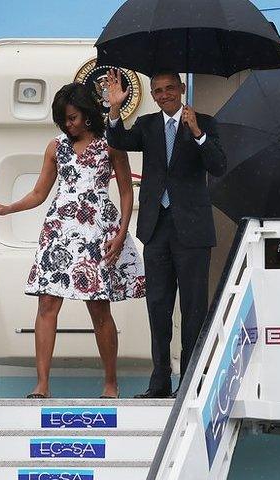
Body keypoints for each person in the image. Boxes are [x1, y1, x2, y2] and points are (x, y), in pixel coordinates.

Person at [0, 83, 145, 399]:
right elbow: (39, 193)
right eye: (63, 120)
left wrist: (122, 232)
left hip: (99, 230)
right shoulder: (55, 147)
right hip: (59, 229)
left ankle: (111, 383)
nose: (68, 124)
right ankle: (42, 384)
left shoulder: (111, 144)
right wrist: (7, 208)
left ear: (86, 114)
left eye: (72, 118)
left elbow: (126, 192)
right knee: (46, 303)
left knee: (99, 308)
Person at [104, 68, 227, 398]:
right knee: (158, 307)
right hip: (157, 228)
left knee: (193, 309)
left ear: (182, 88)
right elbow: (118, 140)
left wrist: (197, 132)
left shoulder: (205, 122)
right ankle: (159, 382)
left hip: (193, 231)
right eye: (158, 91)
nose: (164, 95)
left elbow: (218, 165)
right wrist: (115, 107)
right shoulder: (147, 125)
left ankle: (189, 383)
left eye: (170, 88)